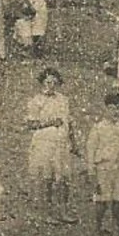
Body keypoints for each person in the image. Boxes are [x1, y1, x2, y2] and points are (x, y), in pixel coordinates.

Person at [23, 67, 80, 225]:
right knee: (47, 178)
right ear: (43, 82)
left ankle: (63, 211)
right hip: (44, 142)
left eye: (54, 82)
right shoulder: (36, 101)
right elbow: (30, 124)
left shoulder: (63, 100)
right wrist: (49, 122)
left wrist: (74, 143)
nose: (51, 86)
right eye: (48, 82)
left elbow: (69, 123)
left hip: (61, 143)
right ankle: (47, 212)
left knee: (63, 179)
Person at [84, 91, 119, 236]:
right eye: (111, 108)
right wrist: (92, 173)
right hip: (103, 170)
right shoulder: (98, 128)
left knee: (118, 208)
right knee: (100, 209)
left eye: (118, 108)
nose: (114, 112)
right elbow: (90, 152)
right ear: (105, 109)